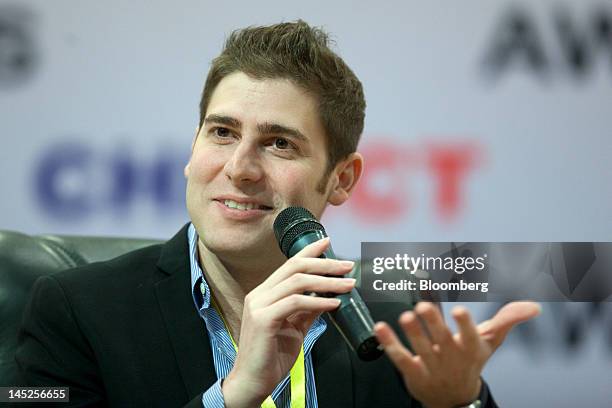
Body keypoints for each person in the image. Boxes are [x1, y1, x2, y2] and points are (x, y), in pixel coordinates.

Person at [15, 20, 540, 407]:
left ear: (342, 179)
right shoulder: (76, 309)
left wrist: (458, 403)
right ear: (194, 146)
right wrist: (235, 394)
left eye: (279, 144)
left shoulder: (390, 316)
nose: (240, 168)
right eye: (222, 132)